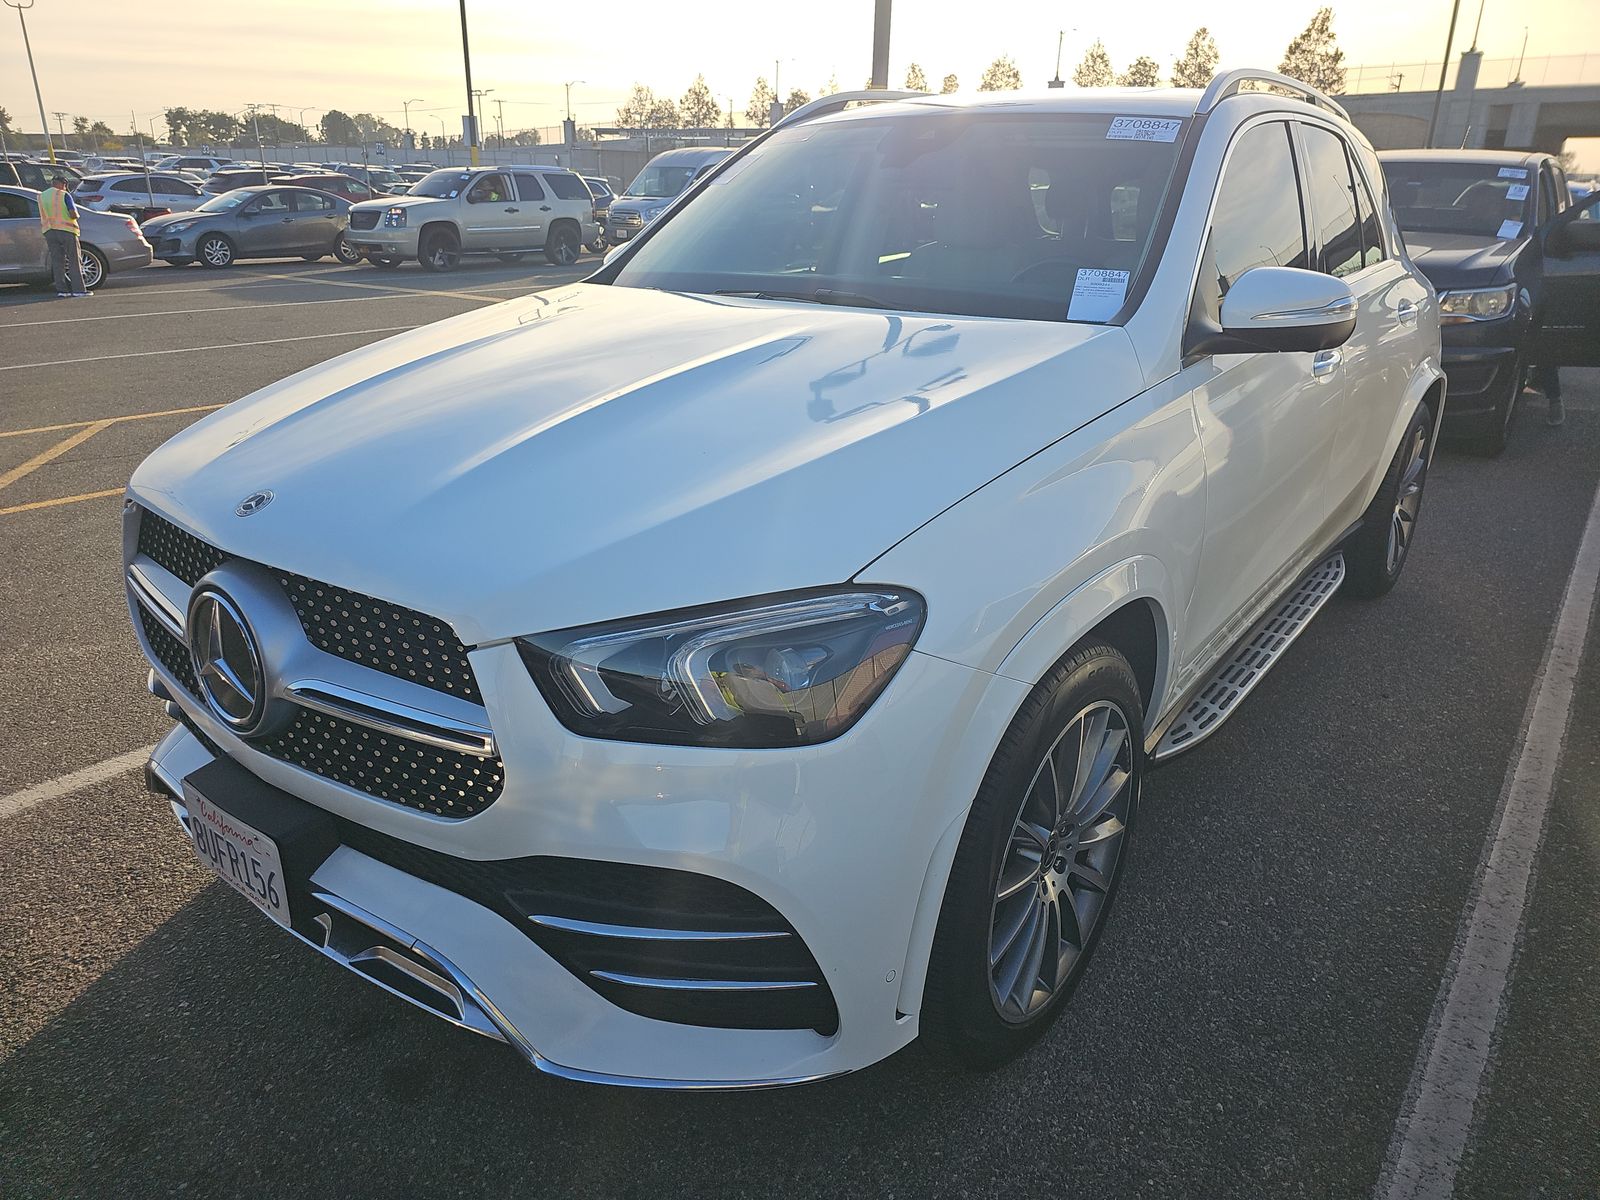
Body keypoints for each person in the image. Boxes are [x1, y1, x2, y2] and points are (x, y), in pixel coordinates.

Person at [38, 174, 89, 298]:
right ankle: (79, 290)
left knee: (57, 262)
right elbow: (73, 214)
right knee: (74, 260)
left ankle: (62, 290)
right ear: (63, 184)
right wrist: (76, 215)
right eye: (65, 185)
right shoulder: (63, 195)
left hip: (49, 231)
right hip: (66, 230)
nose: (66, 188)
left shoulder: (41, 196)